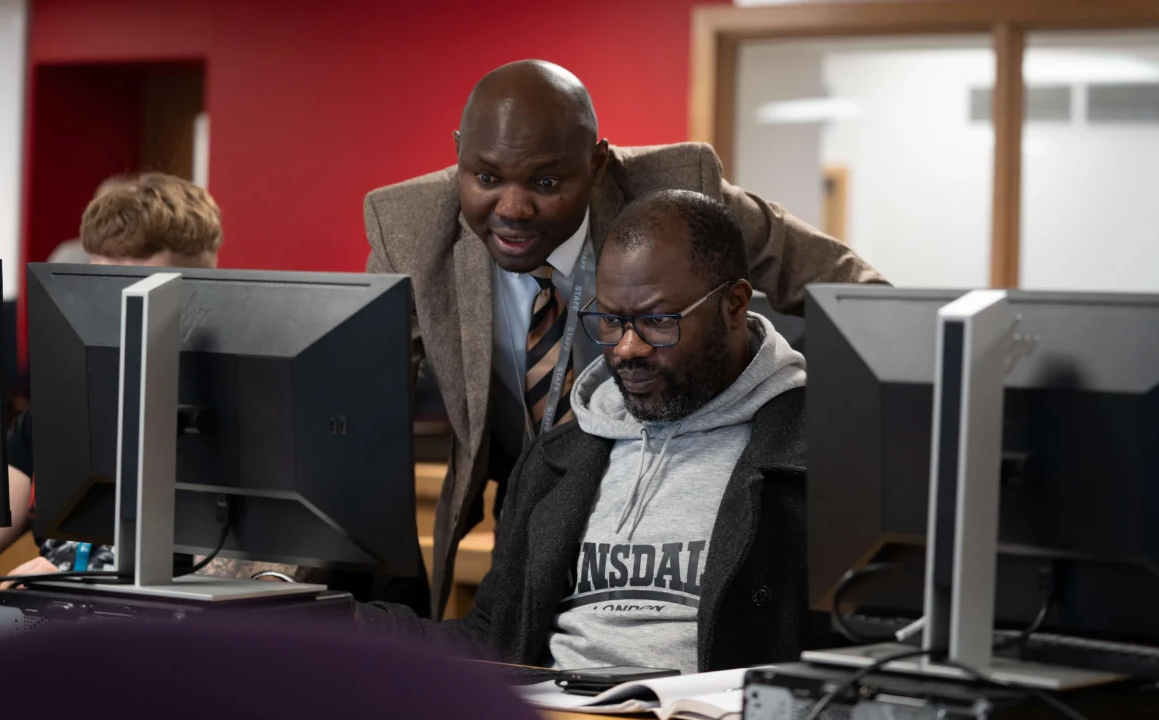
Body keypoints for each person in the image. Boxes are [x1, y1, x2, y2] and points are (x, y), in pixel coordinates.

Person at [364, 59, 883, 618]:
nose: (512, 209)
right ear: (460, 151)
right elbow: (354, 414)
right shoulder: (409, 227)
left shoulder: (679, 189)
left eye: (545, 183)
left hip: (672, 490)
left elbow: (859, 295)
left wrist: (850, 447)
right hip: (521, 496)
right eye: (486, 178)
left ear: (595, 163)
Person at [361, 190, 811, 673]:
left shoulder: (817, 459)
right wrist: (341, 626)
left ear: (734, 305)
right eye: (612, 322)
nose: (627, 349)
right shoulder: (558, 460)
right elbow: (491, 638)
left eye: (658, 321)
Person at [0, 173, 294, 584]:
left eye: (142, 293)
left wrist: (86, 581)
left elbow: (259, 577)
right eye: (101, 288)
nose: (118, 315)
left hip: (166, 636)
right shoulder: (63, 407)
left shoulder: (254, 415)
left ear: (206, 287)